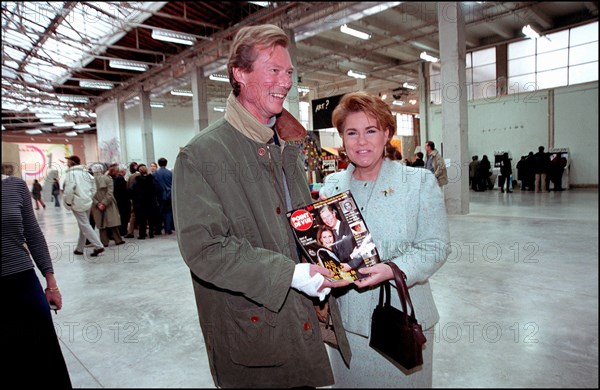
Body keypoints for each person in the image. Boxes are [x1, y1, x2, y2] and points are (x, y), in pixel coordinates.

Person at [172, 24, 351, 388]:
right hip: (254, 341)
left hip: (300, 325)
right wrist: (291, 275)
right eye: (274, 70)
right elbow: (205, 249)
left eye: (289, 73)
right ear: (239, 73)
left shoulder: (285, 147)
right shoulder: (201, 155)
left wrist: (326, 257)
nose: (285, 82)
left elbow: (297, 226)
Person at [320, 91, 450, 388]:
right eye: (351, 132)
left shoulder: (417, 183)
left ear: (387, 133)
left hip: (401, 324)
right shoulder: (332, 186)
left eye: (371, 131)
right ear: (342, 138)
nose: (361, 142)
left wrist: (392, 269)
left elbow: (435, 246)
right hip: (348, 329)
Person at [1, 163, 72, 387]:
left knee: (43, 356)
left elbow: (33, 234)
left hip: (22, 280)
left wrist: (51, 283)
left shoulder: (14, 186)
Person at [62, 155, 104, 257]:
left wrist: (68, 202)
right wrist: (89, 197)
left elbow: (69, 190)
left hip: (77, 202)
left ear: (72, 162)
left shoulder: (71, 174)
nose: (67, 163)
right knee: (83, 224)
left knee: (84, 224)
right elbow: (94, 188)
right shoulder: (86, 173)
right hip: (87, 201)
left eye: (68, 161)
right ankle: (79, 248)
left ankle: (98, 246)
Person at [90, 164, 125, 247]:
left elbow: (89, 194)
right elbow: (110, 192)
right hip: (109, 203)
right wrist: (104, 203)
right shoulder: (108, 179)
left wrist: (98, 204)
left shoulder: (89, 181)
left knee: (102, 224)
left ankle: (104, 242)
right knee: (112, 222)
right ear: (102, 170)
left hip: (96, 205)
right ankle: (118, 240)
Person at [153, 157, 173, 235]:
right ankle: (168, 229)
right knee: (168, 212)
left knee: (159, 213)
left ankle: (158, 230)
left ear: (158, 164)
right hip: (169, 194)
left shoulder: (155, 174)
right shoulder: (170, 173)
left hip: (159, 195)